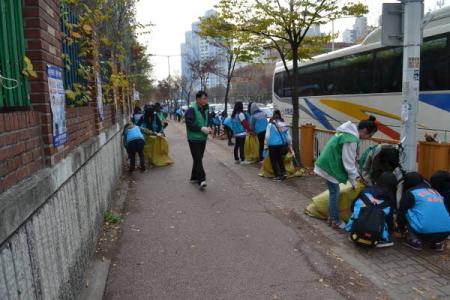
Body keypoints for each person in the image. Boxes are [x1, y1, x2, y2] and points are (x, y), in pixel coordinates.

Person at [314, 116, 378, 230]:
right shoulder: (351, 139)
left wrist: (355, 175)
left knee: (334, 192)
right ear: (364, 131)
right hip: (330, 166)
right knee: (335, 193)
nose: (369, 138)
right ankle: (335, 221)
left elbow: (351, 160)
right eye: (370, 135)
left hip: (327, 164)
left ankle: (331, 217)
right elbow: (348, 163)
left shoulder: (347, 133)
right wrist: (354, 182)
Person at [398, 172, 450, 251]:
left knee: (408, 211)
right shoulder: (435, 191)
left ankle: (414, 240)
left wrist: (401, 229)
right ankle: (437, 243)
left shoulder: (410, 193)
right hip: (445, 232)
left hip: (424, 233)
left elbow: (401, 213)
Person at [346, 172, 398, 248]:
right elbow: (388, 220)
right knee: (383, 220)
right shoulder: (389, 201)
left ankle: (352, 231)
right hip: (374, 234)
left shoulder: (365, 191)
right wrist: (391, 230)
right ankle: (383, 239)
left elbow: (352, 207)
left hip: (356, 230)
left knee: (357, 212)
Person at [185, 91, 211, 190]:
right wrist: (201, 128)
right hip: (193, 139)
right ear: (198, 99)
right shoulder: (191, 110)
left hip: (203, 138)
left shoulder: (206, 108)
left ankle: (193, 177)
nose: (205, 100)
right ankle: (202, 179)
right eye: (204, 98)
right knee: (198, 158)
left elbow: (208, 120)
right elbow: (189, 123)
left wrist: (208, 127)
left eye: (206, 98)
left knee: (198, 158)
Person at [265, 110, 292, 181]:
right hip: (281, 145)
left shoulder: (270, 125)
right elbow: (288, 136)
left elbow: (267, 136)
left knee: (273, 160)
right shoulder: (283, 124)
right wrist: (289, 144)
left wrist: (267, 144)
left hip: (272, 145)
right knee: (280, 159)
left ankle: (278, 175)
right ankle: (283, 173)